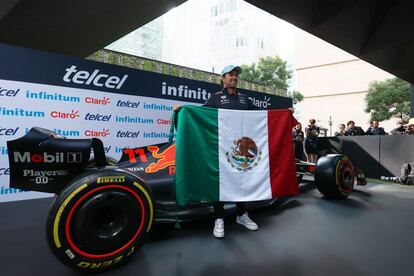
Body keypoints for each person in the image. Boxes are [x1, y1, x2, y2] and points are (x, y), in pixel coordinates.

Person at [175, 65, 259, 239]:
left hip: (239, 151)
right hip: (219, 148)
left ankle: (241, 215)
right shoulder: (215, 98)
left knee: (240, 180)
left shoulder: (245, 99)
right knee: (218, 182)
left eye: (236, 75)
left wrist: (283, 114)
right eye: (230, 75)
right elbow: (199, 115)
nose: (234, 78)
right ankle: (219, 218)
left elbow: (261, 117)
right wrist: (183, 110)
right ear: (222, 78)